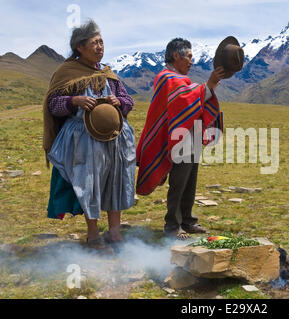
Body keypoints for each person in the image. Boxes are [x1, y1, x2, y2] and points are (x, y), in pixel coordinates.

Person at [43, 20, 136, 249]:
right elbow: (53, 105)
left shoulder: (108, 74)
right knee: (90, 184)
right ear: (79, 47)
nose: (100, 47)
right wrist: (74, 100)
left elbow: (129, 102)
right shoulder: (67, 73)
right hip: (84, 140)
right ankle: (93, 235)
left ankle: (115, 233)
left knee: (117, 181)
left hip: (114, 139)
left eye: (101, 42)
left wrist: (119, 101)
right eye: (95, 43)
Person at [136, 38, 225, 239]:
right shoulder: (166, 78)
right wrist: (208, 85)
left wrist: (207, 88)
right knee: (178, 181)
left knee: (190, 180)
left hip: (189, 135)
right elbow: (183, 99)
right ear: (176, 55)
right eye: (190, 57)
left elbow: (190, 98)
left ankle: (187, 220)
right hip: (177, 138)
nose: (192, 62)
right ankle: (172, 225)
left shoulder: (179, 79)